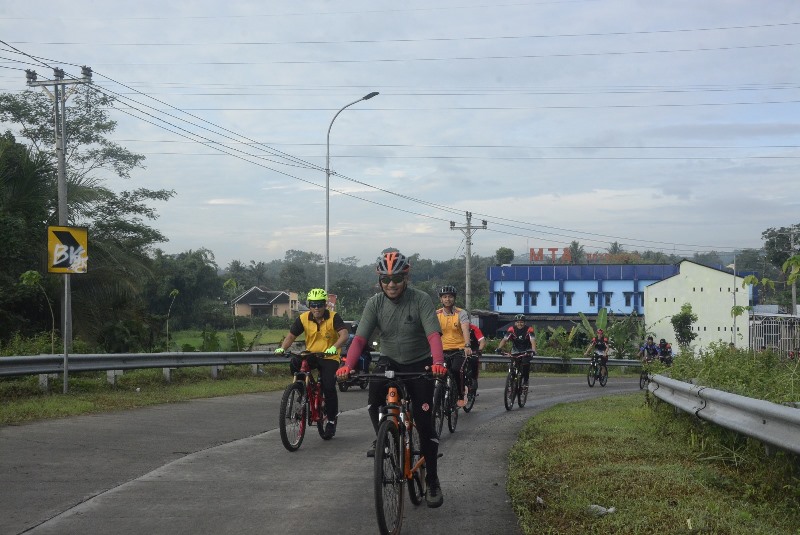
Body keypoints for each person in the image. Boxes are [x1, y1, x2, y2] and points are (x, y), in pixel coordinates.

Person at [336, 248, 446, 508]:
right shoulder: (374, 303)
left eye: (397, 279)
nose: (391, 284)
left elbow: (433, 336)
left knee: (425, 423)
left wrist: (439, 363)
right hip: (388, 360)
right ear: (379, 282)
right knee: (374, 399)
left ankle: (432, 480)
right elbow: (360, 338)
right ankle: (385, 436)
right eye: (386, 280)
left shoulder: (420, 300)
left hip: (420, 363)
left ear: (406, 278)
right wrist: (346, 365)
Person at [275, 288, 348, 437]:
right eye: (313, 304)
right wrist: (282, 348)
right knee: (295, 362)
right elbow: (291, 336)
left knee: (328, 386)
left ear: (324, 305)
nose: (316, 308)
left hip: (329, 357)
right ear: (309, 305)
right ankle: (301, 389)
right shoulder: (303, 318)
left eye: (319, 304)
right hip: (312, 354)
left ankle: (332, 420)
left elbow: (344, 335)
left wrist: (334, 348)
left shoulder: (334, 317)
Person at [435, 285, 472, 407]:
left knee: (456, 370)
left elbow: (465, 329)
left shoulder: (461, 313)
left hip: (459, 349)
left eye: (450, 297)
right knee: (437, 374)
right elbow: (431, 332)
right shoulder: (436, 314)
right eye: (444, 297)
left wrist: (467, 345)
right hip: (441, 350)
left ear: (454, 298)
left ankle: (461, 394)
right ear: (441, 299)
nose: (447, 299)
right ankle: (438, 395)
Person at [495, 314, 536, 389]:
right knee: (513, 365)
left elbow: (532, 340)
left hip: (526, 350)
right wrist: (499, 348)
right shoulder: (511, 329)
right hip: (515, 350)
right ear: (515, 323)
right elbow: (504, 340)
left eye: (521, 322)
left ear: (524, 323)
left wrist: (533, 350)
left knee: (525, 364)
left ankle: (525, 381)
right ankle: (511, 381)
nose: (519, 324)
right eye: (518, 322)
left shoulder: (529, 329)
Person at [467, 322, 486, 388]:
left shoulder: (474, 328)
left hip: (473, 350)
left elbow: (482, 341)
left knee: (474, 362)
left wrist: (479, 350)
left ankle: (474, 379)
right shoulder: (456, 327)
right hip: (461, 350)